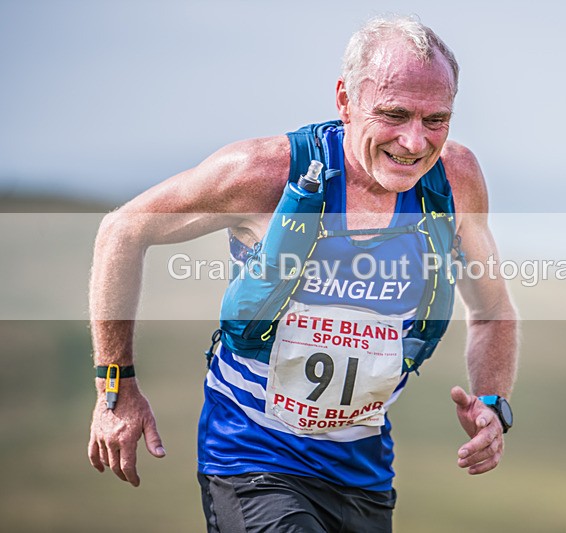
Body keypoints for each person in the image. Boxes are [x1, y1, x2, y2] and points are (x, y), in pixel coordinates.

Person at [88, 15, 518, 532]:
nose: (413, 142)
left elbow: (492, 308)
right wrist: (115, 389)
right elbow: (123, 231)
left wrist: (493, 404)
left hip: (363, 472)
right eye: (394, 114)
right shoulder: (263, 173)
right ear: (345, 100)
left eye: (436, 120)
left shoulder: (454, 182)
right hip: (253, 459)